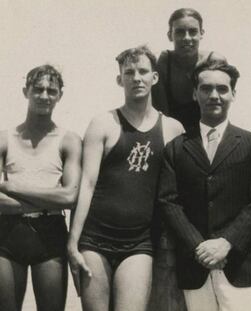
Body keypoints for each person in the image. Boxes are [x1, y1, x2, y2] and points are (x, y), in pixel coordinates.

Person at [67, 45, 183, 311]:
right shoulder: (103, 123)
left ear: (155, 77)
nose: (136, 78)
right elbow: (87, 184)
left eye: (143, 71)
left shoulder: (173, 129)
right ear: (120, 79)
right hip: (94, 239)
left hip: (139, 242)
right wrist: (72, 243)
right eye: (129, 72)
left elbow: (176, 193)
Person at [157, 60, 251, 311]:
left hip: (242, 267)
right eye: (206, 89)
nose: (214, 95)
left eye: (222, 89)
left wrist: (226, 243)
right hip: (195, 267)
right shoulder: (176, 148)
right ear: (194, 94)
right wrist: (199, 247)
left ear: (233, 94)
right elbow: (168, 202)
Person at [0, 65, 82, 311]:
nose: (44, 96)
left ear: (60, 96)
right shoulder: (5, 139)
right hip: (7, 234)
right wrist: (49, 198)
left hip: (50, 234)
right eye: (38, 89)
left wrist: (11, 186)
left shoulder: (68, 140)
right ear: (26, 91)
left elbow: (69, 196)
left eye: (51, 90)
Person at [153, 7, 226, 131]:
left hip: (208, 133)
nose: (187, 38)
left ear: (201, 34)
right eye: (180, 32)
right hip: (172, 135)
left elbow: (220, 109)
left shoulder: (214, 61)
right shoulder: (162, 63)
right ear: (170, 35)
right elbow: (162, 116)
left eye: (192, 31)